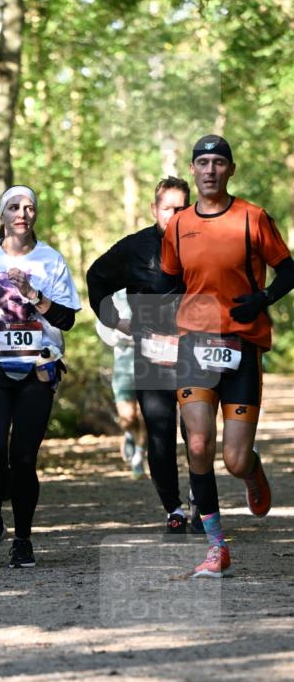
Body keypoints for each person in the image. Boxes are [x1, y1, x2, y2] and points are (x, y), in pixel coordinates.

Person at [159, 135, 294, 577]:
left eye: (219, 162)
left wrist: (265, 298)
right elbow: (170, 281)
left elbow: (288, 268)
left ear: (230, 169)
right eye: (203, 163)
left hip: (242, 344)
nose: (211, 170)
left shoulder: (253, 217)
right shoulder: (178, 225)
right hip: (194, 345)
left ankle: (251, 470)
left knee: (234, 459)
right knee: (198, 443)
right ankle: (217, 547)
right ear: (193, 170)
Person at [0, 185, 81, 569]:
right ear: (2, 215)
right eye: (14, 207)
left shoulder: (51, 260)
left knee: (24, 459)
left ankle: (23, 539)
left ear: (35, 215)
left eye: (29, 207)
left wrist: (32, 293)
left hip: (37, 371)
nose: (22, 214)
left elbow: (67, 319)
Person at [87, 176, 202, 533]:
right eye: (168, 208)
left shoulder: (203, 242)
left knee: (197, 432)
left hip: (195, 352)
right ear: (154, 209)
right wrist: (117, 322)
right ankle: (174, 508)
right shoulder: (135, 248)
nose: (175, 215)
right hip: (153, 355)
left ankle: (201, 501)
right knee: (160, 433)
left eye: (182, 208)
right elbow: (96, 278)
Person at [95, 290, 147, 479]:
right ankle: (130, 435)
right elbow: (102, 324)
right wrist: (116, 337)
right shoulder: (115, 294)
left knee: (146, 414)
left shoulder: (149, 290)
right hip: (124, 363)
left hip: (150, 363)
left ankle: (139, 456)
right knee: (128, 417)